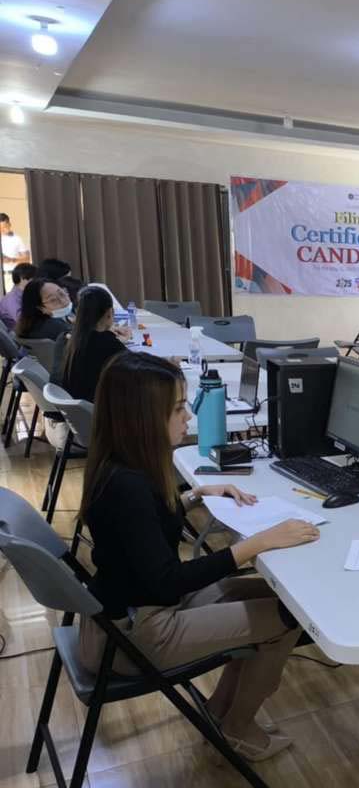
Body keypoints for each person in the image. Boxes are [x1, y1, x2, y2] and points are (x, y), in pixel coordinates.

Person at [78, 351, 321, 760]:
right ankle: (238, 727)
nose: (188, 417)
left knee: (279, 596)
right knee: (289, 618)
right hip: (135, 636)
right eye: (177, 409)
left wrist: (195, 494)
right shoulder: (128, 488)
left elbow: (146, 536)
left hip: (131, 614)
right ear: (142, 418)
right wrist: (255, 544)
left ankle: (220, 712)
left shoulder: (120, 467)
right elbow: (168, 579)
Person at [61, 285, 132, 402]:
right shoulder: (108, 343)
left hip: (77, 408)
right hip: (100, 409)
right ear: (110, 312)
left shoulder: (71, 338)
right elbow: (137, 366)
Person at [0, 261, 36, 330]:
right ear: (22, 278)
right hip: (20, 335)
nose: (36, 281)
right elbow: (22, 321)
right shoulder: (12, 298)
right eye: (33, 278)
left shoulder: (25, 294)